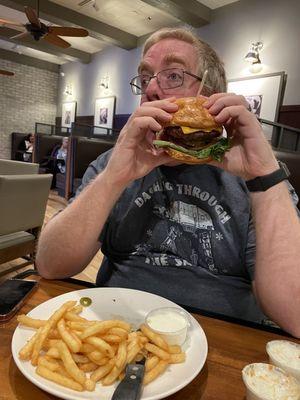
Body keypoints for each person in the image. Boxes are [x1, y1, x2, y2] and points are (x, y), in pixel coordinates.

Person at [36, 27, 300, 337]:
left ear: (212, 95)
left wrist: (263, 176)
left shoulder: (258, 179)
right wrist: (113, 178)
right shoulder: (113, 165)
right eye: (145, 78)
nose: (150, 90)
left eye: (173, 75)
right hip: (116, 335)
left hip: (219, 346)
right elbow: (50, 265)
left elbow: (294, 313)